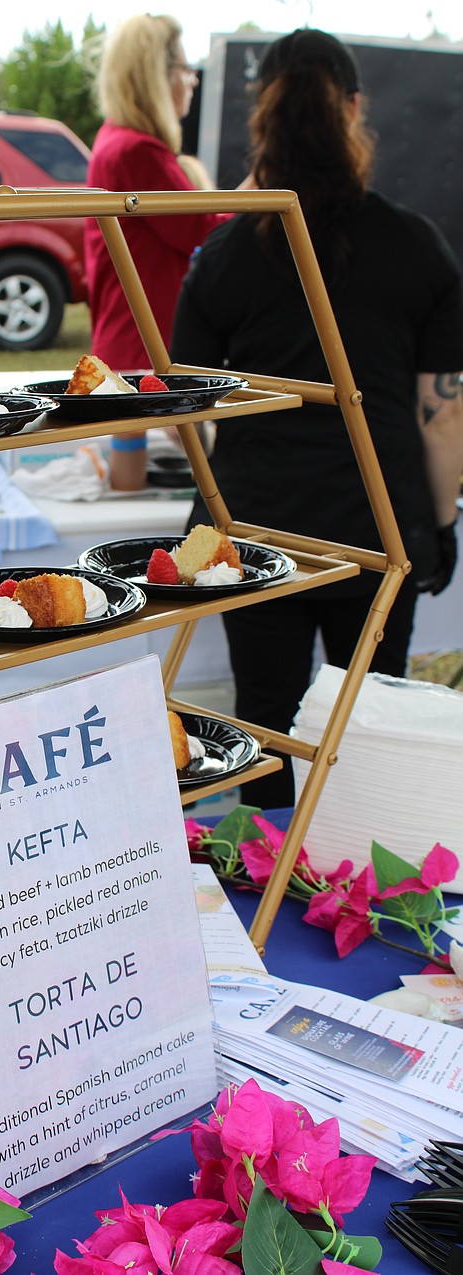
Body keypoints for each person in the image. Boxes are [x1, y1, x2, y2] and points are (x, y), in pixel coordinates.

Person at [170, 27, 463, 808]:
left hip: (259, 527)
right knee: (367, 730)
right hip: (382, 523)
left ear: (259, 117)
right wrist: (440, 526)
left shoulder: (224, 254)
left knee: (263, 729)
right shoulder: (416, 246)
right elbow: (442, 416)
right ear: (355, 110)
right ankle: (353, 896)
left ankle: (266, 909)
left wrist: (220, 500)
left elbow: (183, 410)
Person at [84, 13, 228, 491]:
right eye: (186, 70)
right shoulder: (137, 152)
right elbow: (203, 228)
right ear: (156, 76)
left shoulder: (115, 143)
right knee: (187, 460)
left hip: (127, 333)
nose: (191, 81)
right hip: (146, 338)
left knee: (137, 454)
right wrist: (260, 202)